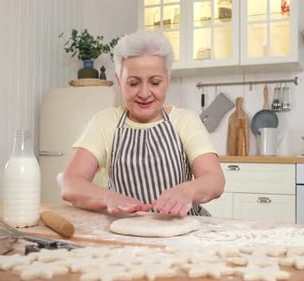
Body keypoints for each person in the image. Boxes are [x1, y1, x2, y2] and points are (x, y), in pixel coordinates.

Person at [61, 30, 225, 217]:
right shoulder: (104, 123)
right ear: (119, 81)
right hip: (126, 231)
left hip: (185, 230)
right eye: (133, 83)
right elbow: (71, 183)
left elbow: (215, 179)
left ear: (168, 80)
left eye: (155, 82)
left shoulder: (186, 121)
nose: (145, 93)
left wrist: (189, 191)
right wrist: (107, 198)